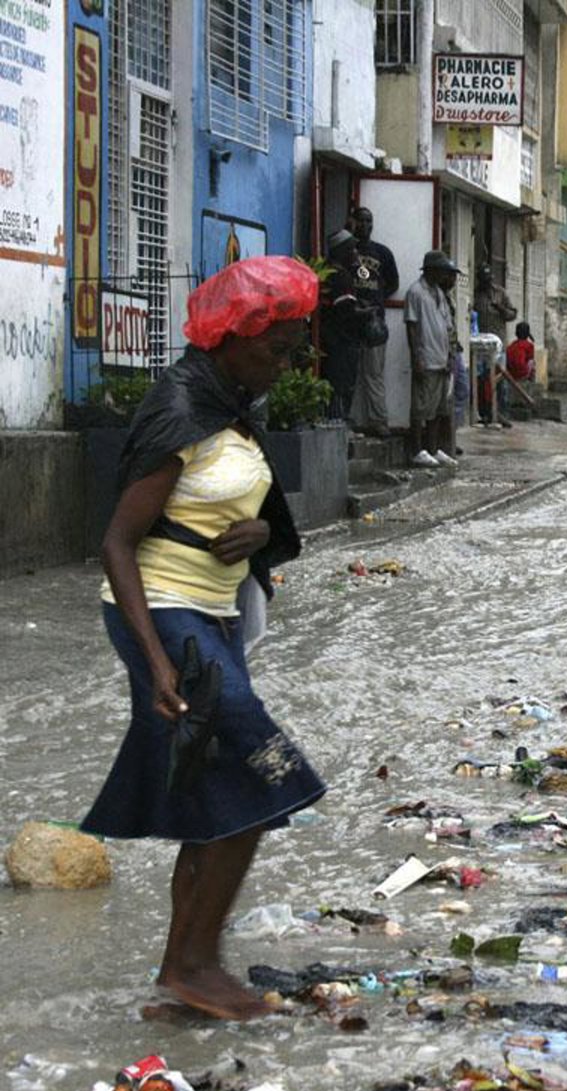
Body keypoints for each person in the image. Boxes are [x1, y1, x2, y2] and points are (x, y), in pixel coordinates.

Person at [79, 257, 326, 1021]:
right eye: (277, 349)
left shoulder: (233, 406)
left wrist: (259, 534)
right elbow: (118, 544)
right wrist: (156, 663)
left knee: (209, 793)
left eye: (293, 351)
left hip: (212, 618)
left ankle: (180, 973)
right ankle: (195, 965)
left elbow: (250, 517)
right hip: (164, 615)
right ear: (235, 337)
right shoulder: (182, 409)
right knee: (261, 773)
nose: (285, 366)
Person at [404, 250, 459, 468]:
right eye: (441, 271)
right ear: (431, 270)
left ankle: (433, 449)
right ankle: (417, 450)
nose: (444, 275)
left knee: (438, 409)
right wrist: (416, 357)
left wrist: (449, 356)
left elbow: (447, 326)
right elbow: (411, 326)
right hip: (426, 358)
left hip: (441, 358)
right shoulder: (416, 292)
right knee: (420, 409)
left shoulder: (439, 293)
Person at [347, 207, 399, 439]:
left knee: (374, 374)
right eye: (361, 220)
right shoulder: (346, 250)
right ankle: (347, 420)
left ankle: (378, 421)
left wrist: (376, 300)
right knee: (348, 374)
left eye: (369, 221)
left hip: (374, 323)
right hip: (350, 321)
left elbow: (393, 283)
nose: (365, 225)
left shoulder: (382, 253)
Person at [319, 229, 363, 423]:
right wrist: (367, 313)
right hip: (341, 341)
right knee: (340, 385)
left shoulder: (327, 271)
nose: (355, 253)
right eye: (352, 249)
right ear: (342, 251)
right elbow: (346, 312)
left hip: (330, 339)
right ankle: (338, 424)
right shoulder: (341, 276)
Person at [474, 265, 518, 427]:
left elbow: (512, 314)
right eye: (483, 280)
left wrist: (500, 308)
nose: (487, 283)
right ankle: (484, 413)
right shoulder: (475, 294)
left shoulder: (500, 293)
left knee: (500, 381)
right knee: (481, 380)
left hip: (498, 345)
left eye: (489, 280)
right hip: (479, 346)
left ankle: (502, 413)